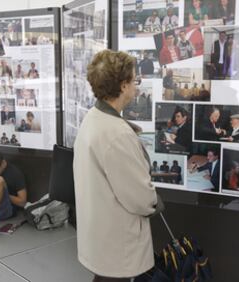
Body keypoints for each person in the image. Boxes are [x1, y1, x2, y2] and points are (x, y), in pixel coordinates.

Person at [73, 50, 163, 281]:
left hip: (99, 234)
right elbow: (140, 198)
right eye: (134, 80)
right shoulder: (117, 134)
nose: (136, 85)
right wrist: (155, 202)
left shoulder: (93, 118)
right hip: (117, 243)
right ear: (123, 86)